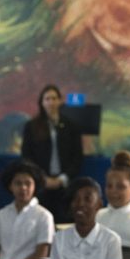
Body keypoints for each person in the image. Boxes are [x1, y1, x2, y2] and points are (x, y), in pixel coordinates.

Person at [21, 84, 83, 223]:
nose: (51, 102)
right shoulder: (31, 126)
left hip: (65, 184)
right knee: (41, 222)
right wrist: (42, 178)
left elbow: (77, 157)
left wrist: (62, 178)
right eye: (47, 99)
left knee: (64, 222)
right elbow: (27, 157)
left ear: (60, 101)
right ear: (42, 102)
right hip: (41, 184)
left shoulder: (71, 126)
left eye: (54, 98)